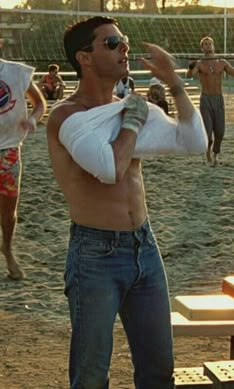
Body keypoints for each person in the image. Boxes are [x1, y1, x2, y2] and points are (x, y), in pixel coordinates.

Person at [46, 16, 207, 389]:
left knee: (158, 370)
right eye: (113, 42)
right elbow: (109, 169)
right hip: (95, 254)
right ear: (84, 57)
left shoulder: (127, 108)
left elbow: (193, 142)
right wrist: (133, 123)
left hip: (144, 247)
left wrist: (176, 83)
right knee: (90, 377)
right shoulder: (67, 116)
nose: (124, 49)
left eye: (125, 42)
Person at [0, 59, 46, 280]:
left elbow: (39, 103)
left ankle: (7, 249)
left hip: (8, 150)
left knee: (9, 212)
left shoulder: (16, 72)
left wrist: (33, 120)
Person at [187, 36, 234, 166]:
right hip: (206, 99)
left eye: (210, 44)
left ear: (213, 47)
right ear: (202, 48)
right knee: (208, 133)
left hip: (218, 99)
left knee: (220, 131)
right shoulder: (199, 64)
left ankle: (216, 153)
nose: (208, 46)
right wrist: (191, 66)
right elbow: (189, 75)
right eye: (205, 44)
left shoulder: (222, 62)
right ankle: (208, 152)